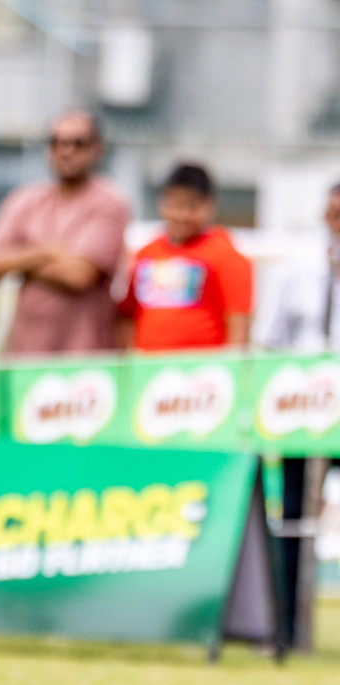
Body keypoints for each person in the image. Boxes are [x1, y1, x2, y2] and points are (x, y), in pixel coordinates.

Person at [257, 183, 340, 649]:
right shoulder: (297, 270)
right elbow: (271, 342)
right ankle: (285, 628)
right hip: (303, 412)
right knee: (290, 518)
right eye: (332, 213)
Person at [0, 111, 131, 354]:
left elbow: (78, 275)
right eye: (57, 142)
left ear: (97, 149)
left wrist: (17, 260)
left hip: (85, 360)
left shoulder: (109, 202)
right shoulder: (25, 200)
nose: (66, 151)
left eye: (78, 143)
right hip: (26, 356)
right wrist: (44, 253)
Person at [118, 163, 253, 351]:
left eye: (192, 207)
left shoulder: (226, 255)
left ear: (209, 206)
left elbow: (239, 321)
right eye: (174, 205)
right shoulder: (147, 254)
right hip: (149, 370)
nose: (182, 215)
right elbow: (127, 316)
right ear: (162, 203)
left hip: (201, 373)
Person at [258, 183, 340, 352]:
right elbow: (268, 339)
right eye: (337, 215)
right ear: (326, 216)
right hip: (303, 372)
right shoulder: (297, 265)